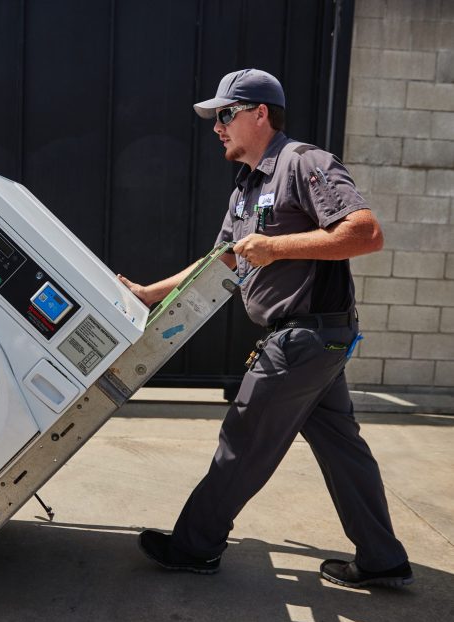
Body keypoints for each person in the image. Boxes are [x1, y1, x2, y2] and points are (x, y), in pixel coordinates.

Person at [117, 69, 413, 589]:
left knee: (244, 438)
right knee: (342, 448)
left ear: (259, 114)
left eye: (226, 115)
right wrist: (149, 294)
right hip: (317, 341)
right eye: (215, 118)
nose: (217, 127)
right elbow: (222, 260)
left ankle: (194, 547)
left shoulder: (304, 163)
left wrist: (277, 247)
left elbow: (364, 232)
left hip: (304, 336)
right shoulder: (246, 186)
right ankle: (383, 559)